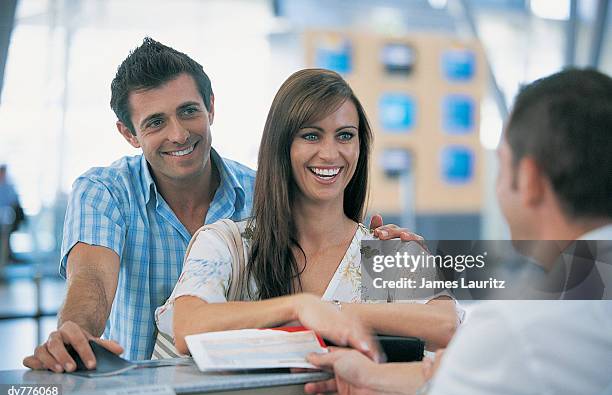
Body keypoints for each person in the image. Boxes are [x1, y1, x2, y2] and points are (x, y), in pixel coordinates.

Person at [23, 39, 415, 372]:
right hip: (132, 386)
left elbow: (326, 236)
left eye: (189, 111)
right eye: (155, 122)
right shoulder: (104, 191)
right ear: (128, 134)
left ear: (211, 107)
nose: (179, 134)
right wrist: (75, 333)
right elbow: (91, 279)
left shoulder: (261, 190)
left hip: (232, 387)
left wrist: (382, 248)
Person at [304, 68, 612, 395]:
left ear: (529, 179)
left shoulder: (519, 330)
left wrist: (327, 313)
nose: (330, 153)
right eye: (311, 136)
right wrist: (373, 380)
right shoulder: (587, 291)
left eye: (501, 165)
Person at [155, 68, 461, 358]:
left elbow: (445, 326)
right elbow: (187, 326)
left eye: (344, 136)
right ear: (282, 146)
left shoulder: (387, 251)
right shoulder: (227, 243)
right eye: (311, 136)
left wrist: (334, 311)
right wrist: (298, 308)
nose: (330, 153)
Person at [0, 164, 25, 263]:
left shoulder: (9, 187)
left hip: (5, 221)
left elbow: (15, 202)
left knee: (4, 239)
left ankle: (3, 262)